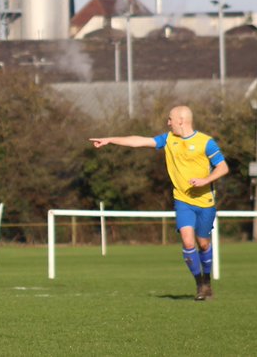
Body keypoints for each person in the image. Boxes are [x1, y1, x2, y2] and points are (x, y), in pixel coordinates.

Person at [90, 105, 229, 301]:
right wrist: (110, 140)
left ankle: (207, 280)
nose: (168, 122)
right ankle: (199, 285)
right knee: (188, 242)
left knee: (204, 244)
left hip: (205, 201)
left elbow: (223, 167)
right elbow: (139, 141)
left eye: (170, 119)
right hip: (182, 200)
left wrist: (206, 181)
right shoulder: (168, 139)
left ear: (181, 120)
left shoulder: (206, 142)